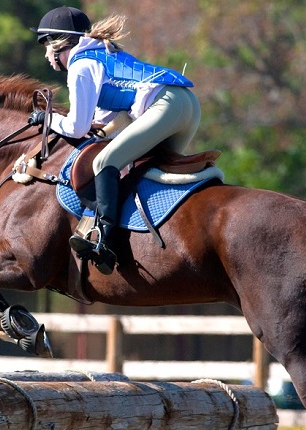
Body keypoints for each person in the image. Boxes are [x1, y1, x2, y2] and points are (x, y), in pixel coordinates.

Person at [30, 6, 201, 275]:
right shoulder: (103, 54)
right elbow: (108, 122)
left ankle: (103, 240)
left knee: (104, 162)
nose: (46, 54)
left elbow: (76, 127)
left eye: (45, 45)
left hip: (166, 105)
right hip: (186, 104)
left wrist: (47, 119)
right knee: (147, 172)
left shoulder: (81, 64)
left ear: (58, 43)